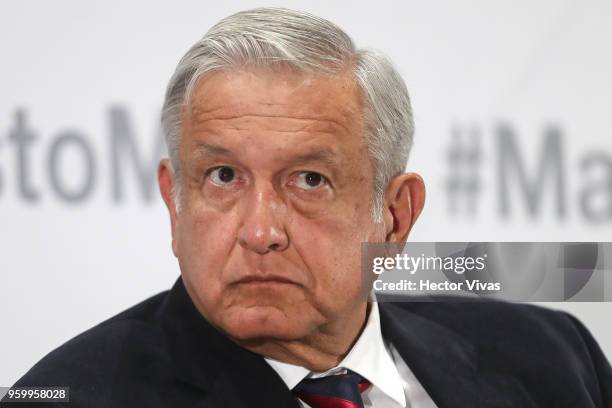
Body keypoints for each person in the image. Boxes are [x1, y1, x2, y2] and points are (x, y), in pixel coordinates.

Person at [4, 7, 611, 408]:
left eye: (310, 180)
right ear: (174, 202)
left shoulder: (554, 356)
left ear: (396, 216)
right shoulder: (74, 394)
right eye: (222, 176)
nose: (261, 231)